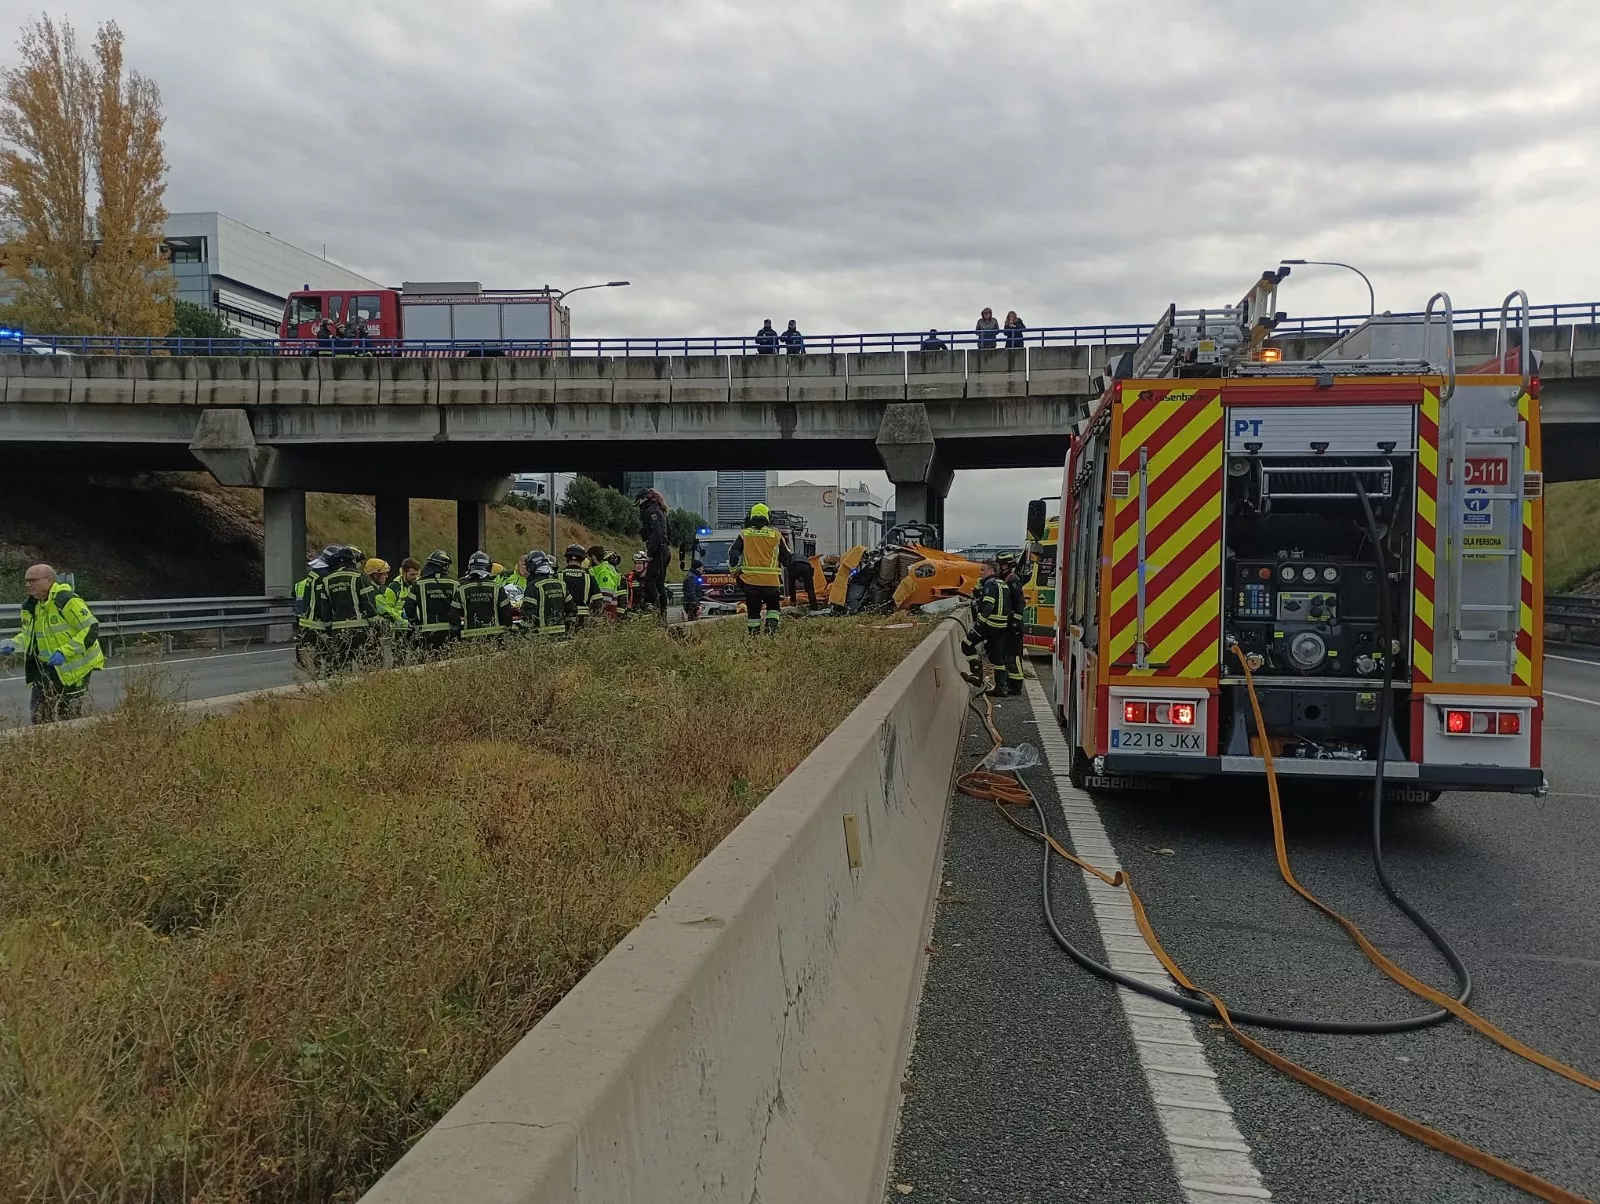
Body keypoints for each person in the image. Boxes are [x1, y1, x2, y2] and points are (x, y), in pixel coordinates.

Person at [0, 563, 105, 724]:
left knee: (69, 715)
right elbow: (30, 636)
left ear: (49, 580)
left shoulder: (66, 600)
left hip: (75, 668)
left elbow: (90, 628)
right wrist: (13, 644)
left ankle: (74, 746)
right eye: (26, 581)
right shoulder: (31, 606)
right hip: (47, 667)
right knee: (39, 713)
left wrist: (64, 652)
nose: (28, 585)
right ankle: (47, 747)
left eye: (33, 580)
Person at [729, 502, 790, 636]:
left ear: (751, 517)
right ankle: (770, 632)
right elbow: (786, 558)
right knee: (773, 609)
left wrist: (734, 571)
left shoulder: (744, 534)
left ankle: (754, 637)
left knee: (753, 612)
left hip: (751, 583)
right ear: (768, 517)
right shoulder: (776, 535)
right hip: (772, 583)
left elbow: (733, 554)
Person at [313, 545, 378, 671]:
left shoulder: (327, 580)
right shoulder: (360, 577)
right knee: (369, 667)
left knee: (341, 669)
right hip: (360, 631)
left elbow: (325, 611)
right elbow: (369, 604)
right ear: (353, 561)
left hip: (338, 631)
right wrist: (377, 627)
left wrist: (329, 630)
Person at [294, 545, 340, 667]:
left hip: (305, 623)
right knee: (329, 662)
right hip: (319, 624)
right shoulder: (325, 576)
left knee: (314, 662)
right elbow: (325, 603)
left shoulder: (312, 575)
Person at [457, 551, 513, 642]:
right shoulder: (497, 588)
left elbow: (454, 615)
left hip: (470, 639)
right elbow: (506, 614)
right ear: (489, 567)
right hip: (495, 637)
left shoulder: (461, 589)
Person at [415, 548, 462, 650]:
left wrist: (416, 624)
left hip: (426, 633)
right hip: (449, 632)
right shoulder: (455, 584)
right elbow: (460, 608)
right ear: (444, 566)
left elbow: (409, 608)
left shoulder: (418, 584)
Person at [995, 550, 1027, 695]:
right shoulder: (1004, 578)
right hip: (1008, 624)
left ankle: (1016, 686)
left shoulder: (1012, 580)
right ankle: (1010, 683)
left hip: (1014, 625)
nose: (999, 567)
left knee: (1014, 656)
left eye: (1001, 565)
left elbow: (1020, 603)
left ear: (1007, 565)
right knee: (1007, 654)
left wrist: (1015, 622)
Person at [637, 488, 670, 620]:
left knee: (650, 580)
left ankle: (656, 611)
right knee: (659, 583)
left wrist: (650, 551)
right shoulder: (660, 511)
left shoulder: (651, 511)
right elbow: (669, 531)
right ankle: (662, 615)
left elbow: (657, 533)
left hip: (658, 551)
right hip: (664, 549)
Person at [525, 552, 567, 636]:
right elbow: (571, 608)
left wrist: (523, 631)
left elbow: (528, 612)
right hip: (562, 633)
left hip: (542, 634)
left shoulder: (533, 586)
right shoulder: (561, 584)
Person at [562, 543, 598, 631]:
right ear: (582, 559)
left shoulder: (559, 575)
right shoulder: (589, 577)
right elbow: (598, 600)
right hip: (583, 619)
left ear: (567, 558)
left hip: (563, 618)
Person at [590, 549, 623, 619]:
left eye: (588, 558)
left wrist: (600, 613)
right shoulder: (601, 570)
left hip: (604, 615)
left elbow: (606, 597)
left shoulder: (605, 571)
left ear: (593, 558)